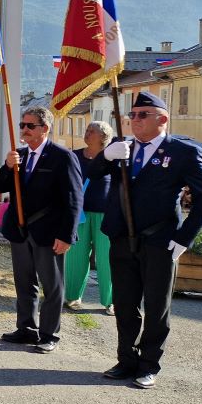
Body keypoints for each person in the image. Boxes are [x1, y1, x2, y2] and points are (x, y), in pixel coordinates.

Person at [89, 91, 202, 389]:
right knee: (124, 303)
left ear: (163, 119)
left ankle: (148, 365)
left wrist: (184, 238)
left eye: (143, 115)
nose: (135, 120)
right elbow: (92, 173)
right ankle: (126, 360)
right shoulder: (124, 148)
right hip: (122, 238)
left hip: (160, 240)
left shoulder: (182, 152)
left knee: (156, 306)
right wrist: (106, 156)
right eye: (132, 115)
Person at [0, 106, 82, 354]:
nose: (24, 130)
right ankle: (26, 328)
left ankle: (49, 334)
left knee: (52, 286)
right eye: (22, 125)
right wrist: (7, 166)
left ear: (45, 128)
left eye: (30, 126)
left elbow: (74, 199)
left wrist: (66, 235)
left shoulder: (62, 157)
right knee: (24, 282)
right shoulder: (19, 155)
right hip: (20, 230)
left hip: (48, 232)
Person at [65, 120, 115, 315]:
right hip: (79, 214)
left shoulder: (112, 158)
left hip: (106, 215)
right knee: (76, 257)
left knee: (106, 259)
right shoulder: (75, 156)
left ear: (104, 137)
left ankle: (110, 301)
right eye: (87, 130)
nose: (87, 133)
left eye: (91, 131)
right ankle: (72, 296)